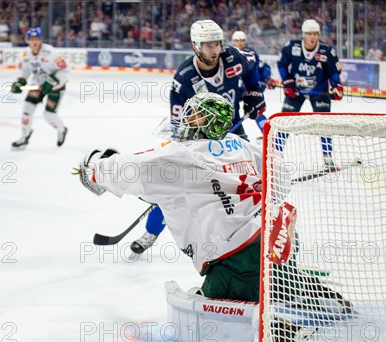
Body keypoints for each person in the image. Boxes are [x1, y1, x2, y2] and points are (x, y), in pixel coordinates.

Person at [76, 93, 352, 312]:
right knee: (275, 280)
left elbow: (128, 168)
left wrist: (92, 170)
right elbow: (281, 177)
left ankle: (286, 307)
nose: (187, 119)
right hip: (280, 239)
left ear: (207, 121)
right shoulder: (241, 144)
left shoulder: (183, 156)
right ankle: (298, 285)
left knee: (220, 298)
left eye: (194, 115)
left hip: (239, 258)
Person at [130, 19, 266, 255]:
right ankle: (151, 233)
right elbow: (176, 122)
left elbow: (253, 66)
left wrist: (253, 93)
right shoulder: (184, 78)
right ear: (195, 46)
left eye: (216, 44)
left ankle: (254, 232)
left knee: (249, 183)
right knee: (177, 188)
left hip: (234, 132)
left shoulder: (233, 57)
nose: (214, 50)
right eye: (207, 45)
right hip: (201, 141)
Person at [277, 19, 343, 168]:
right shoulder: (291, 47)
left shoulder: (327, 51)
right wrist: (287, 82)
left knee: (324, 125)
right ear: (303, 35)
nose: (312, 37)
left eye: (315, 34)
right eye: (309, 34)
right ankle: (276, 154)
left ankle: (328, 157)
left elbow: (334, 72)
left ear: (319, 35)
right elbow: (281, 64)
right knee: (285, 122)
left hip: (319, 91)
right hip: (296, 91)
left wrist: (337, 86)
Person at [10, 27, 68, 149]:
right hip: (37, 85)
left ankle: (61, 129)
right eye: (31, 39)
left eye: (36, 39)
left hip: (56, 87)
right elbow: (24, 72)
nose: (34, 42)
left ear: (41, 39)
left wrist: (53, 83)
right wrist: (19, 82)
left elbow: (65, 70)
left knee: (48, 115)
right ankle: (24, 136)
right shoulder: (25, 54)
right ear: (27, 40)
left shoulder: (51, 52)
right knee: (27, 109)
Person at [231, 30, 277, 132]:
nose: (240, 43)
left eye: (242, 40)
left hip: (249, 88)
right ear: (233, 41)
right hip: (236, 90)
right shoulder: (229, 54)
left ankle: (267, 132)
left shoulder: (250, 53)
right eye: (237, 40)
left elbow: (264, 66)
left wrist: (267, 78)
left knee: (255, 110)